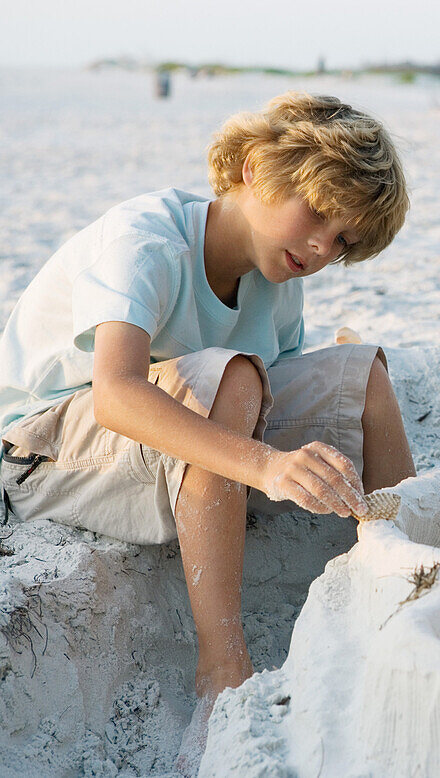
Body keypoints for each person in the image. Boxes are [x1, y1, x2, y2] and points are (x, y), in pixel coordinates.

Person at [0, 92, 417, 767]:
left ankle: (413, 577)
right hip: (43, 448)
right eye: (315, 213)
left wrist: (273, 451)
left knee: (361, 373)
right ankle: (221, 670)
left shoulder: (281, 283)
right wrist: (264, 466)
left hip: (172, 432)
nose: (320, 246)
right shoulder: (148, 239)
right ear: (254, 168)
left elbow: (271, 402)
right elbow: (115, 395)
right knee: (235, 376)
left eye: (341, 238)